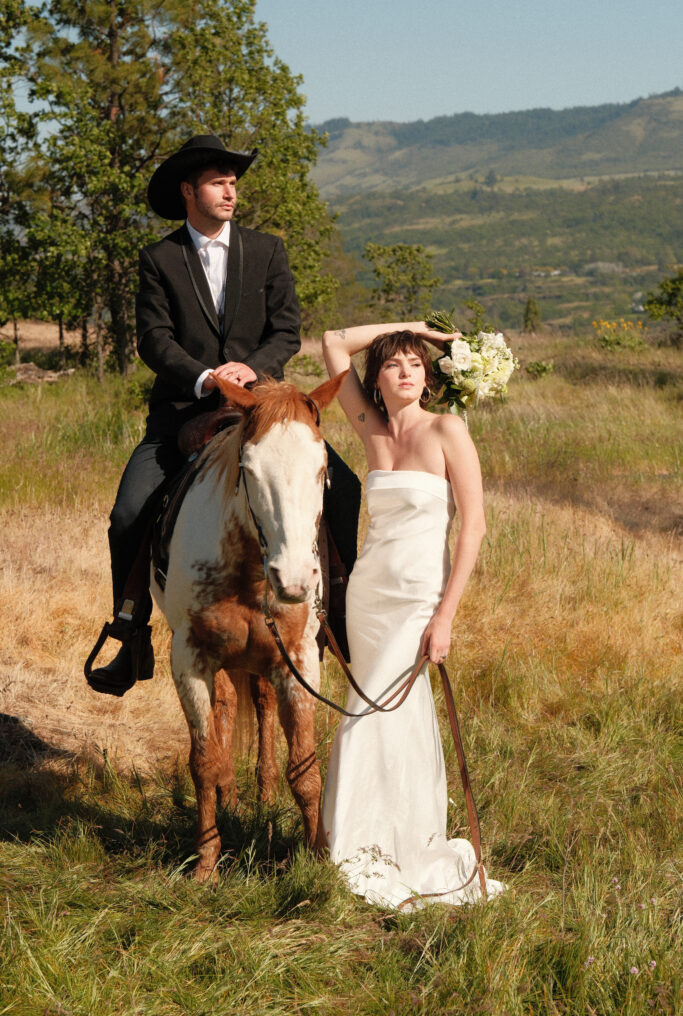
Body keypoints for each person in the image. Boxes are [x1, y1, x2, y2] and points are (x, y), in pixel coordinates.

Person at [87, 135, 360, 696]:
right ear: (189, 192)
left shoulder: (267, 251)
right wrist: (206, 376)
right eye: (218, 182)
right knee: (127, 513)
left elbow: (285, 329)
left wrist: (250, 370)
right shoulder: (159, 258)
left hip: (263, 409)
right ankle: (131, 631)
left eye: (234, 182)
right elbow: (152, 339)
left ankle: (341, 620)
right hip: (182, 412)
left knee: (346, 488)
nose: (231, 191)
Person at [320, 321, 503, 909]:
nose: (406, 372)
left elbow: (472, 527)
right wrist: (413, 327)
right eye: (394, 364)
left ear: (429, 377)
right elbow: (330, 341)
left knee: (380, 710)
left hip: (419, 599)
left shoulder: (448, 429)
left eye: (416, 363)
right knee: (370, 710)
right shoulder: (371, 430)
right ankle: (367, 841)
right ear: (375, 379)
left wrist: (445, 617)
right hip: (370, 597)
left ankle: (380, 846)